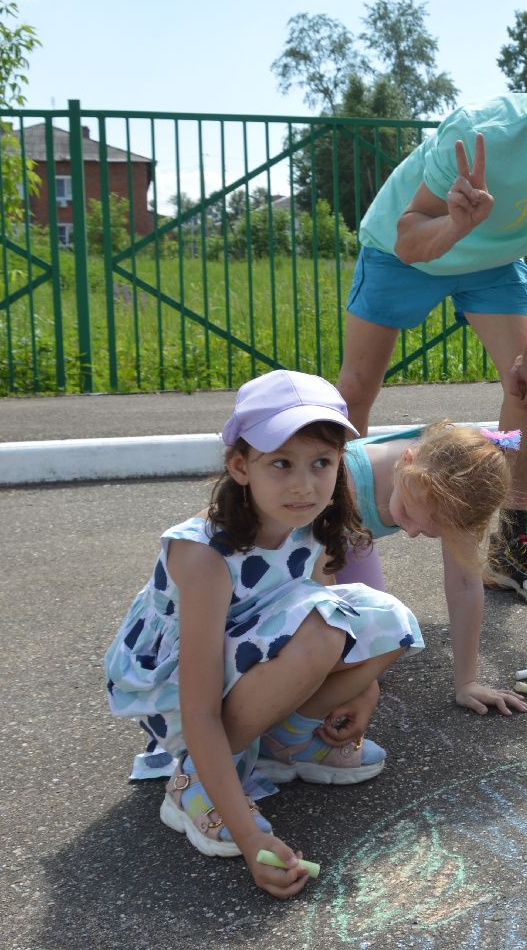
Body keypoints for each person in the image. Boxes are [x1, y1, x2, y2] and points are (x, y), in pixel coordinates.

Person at [336, 47, 527, 607]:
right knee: (355, 389)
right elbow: (409, 241)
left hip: (495, 262)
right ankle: (332, 526)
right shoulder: (481, 131)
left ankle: (508, 543)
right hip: (407, 247)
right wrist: (456, 225)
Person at [104, 371, 422, 897]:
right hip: (176, 691)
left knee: (381, 620)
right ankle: (195, 784)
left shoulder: (314, 524)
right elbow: (199, 704)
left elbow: (325, 610)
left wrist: (365, 691)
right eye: (281, 463)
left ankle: (285, 742)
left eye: (321, 462)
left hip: (250, 656)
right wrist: (250, 837)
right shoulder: (204, 555)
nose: (304, 483)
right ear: (239, 466)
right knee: (319, 631)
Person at [329, 421, 527, 717]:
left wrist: (467, 682)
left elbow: (464, 584)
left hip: (355, 538)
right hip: (310, 543)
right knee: (328, 658)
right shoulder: (344, 479)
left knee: (366, 660)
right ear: (406, 461)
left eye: (427, 531)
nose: (409, 532)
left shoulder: (459, 499)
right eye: (407, 515)